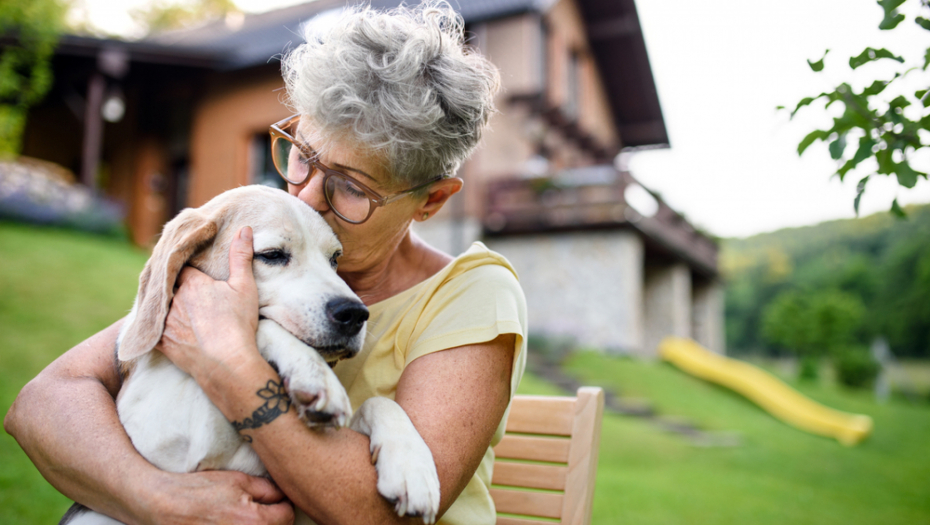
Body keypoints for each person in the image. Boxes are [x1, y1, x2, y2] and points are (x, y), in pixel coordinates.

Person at [4, 3, 527, 524]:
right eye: (302, 155)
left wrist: (230, 361)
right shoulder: (252, 251)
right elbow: (42, 404)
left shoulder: (472, 293)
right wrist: (160, 499)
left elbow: (379, 516)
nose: (302, 196)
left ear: (431, 201)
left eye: (350, 188)